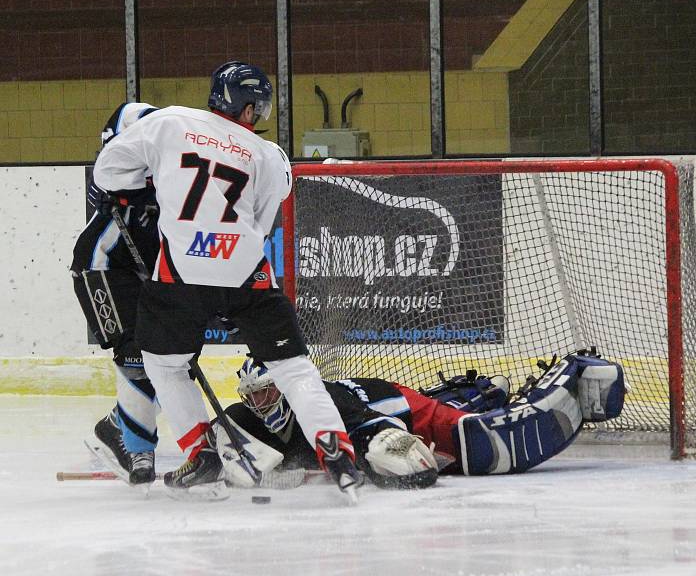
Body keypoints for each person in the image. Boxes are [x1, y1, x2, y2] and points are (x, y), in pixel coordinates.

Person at [91, 61, 362, 497]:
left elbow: (107, 170)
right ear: (250, 109)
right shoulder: (267, 154)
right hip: (245, 271)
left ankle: (200, 455)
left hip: (182, 273)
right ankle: (338, 453)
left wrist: (149, 185)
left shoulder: (169, 121)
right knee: (293, 368)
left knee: (163, 363)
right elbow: (263, 214)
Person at [223, 348, 626, 485]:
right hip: (376, 395)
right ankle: (476, 394)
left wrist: (383, 460)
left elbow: (390, 434)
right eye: (253, 395)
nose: (260, 403)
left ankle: (571, 373)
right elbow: (229, 443)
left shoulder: (323, 403)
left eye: (267, 391)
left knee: (479, 443)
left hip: (402, 409)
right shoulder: (247, 415)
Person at [70, 102, 162, 485]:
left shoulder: (172, 179)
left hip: (142, 274)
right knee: (135, 354)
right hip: (100, 268)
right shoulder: (118, 180)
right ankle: (136, 447)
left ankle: (116, 424)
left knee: (169, 360)